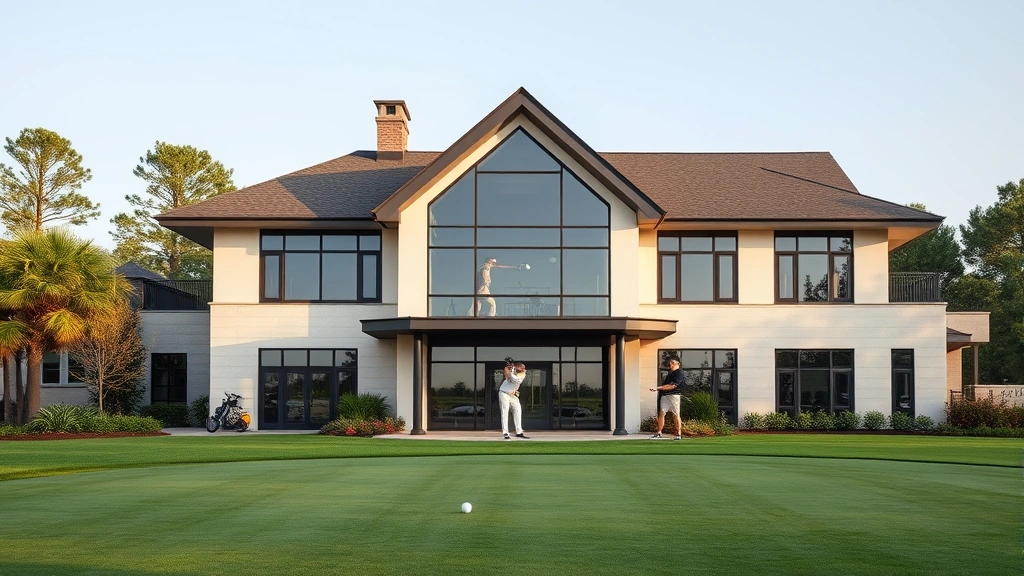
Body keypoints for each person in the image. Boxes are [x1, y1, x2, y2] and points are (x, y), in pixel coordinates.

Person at [649, 358, 684, 440]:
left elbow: (673, 386)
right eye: (670, 363)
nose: (671, 365)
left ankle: (678, 433)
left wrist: (658, 388)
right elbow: (667, 385)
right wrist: (660, 389)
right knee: (662, 413)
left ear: (678, 364)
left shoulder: (679, 373)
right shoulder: (670, 374)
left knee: (676, 414)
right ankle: (659, 432)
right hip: (665, 396)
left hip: (674, 396)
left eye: (673, 363)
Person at [498, 361, 529, 439]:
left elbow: (516, 380)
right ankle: (505, 432)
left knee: (518, 410)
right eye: (522, 368)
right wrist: (508, 368)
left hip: (512, 394)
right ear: (517, 367)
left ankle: (519, 432)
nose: (524, 369)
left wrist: (510, 373)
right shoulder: (512, 371)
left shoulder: (522, 374)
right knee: (505, 411)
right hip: (504, 393)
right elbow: (506, 373)